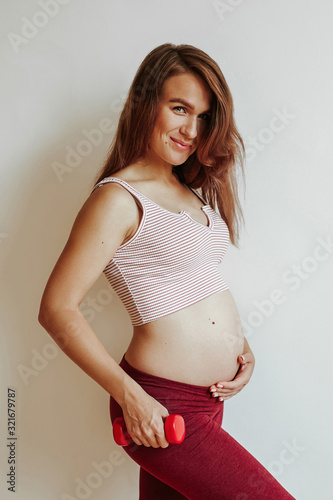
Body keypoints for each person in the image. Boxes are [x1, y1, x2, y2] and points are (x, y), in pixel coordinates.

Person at [38, 43, 296, 499]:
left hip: (207, 402)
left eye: (203, 117)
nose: (191, 130)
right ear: (145, 103)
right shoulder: (118, 199)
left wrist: (240, 347)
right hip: (161, 405)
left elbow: (194, 281)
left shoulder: (191, 192)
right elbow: (57, 309)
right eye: (179, 108)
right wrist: (129, 396)